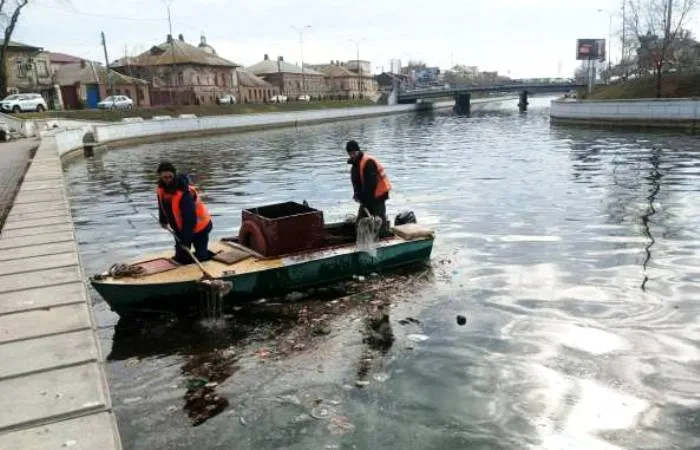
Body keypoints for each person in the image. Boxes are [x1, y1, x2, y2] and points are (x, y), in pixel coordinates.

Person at [156, 161, 213, 264]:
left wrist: (185, 240)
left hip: (200, 227)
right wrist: (163, 220)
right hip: (181, 228)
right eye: (165, 177)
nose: (168, 180)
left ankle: (207, 257)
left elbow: (190, 219)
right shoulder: (161, 189)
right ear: (160, 176)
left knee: (201, 257)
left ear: (174, 175)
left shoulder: (183, 193)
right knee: (181, 257)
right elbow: (162, 206)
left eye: (170, 177)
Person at [346, 140, 392, 234]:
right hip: (366, 197)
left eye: (354, 152)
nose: (353, 155)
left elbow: (371, 184)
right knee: (360, 222)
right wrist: (357, 195)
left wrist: (365, 201)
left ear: (358, 151)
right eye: (350, 153)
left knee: (379, 220)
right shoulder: (354, 166)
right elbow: (357, 184)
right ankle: (362, 237)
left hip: (379, 194)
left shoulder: (368, 162)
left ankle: (383, 237)